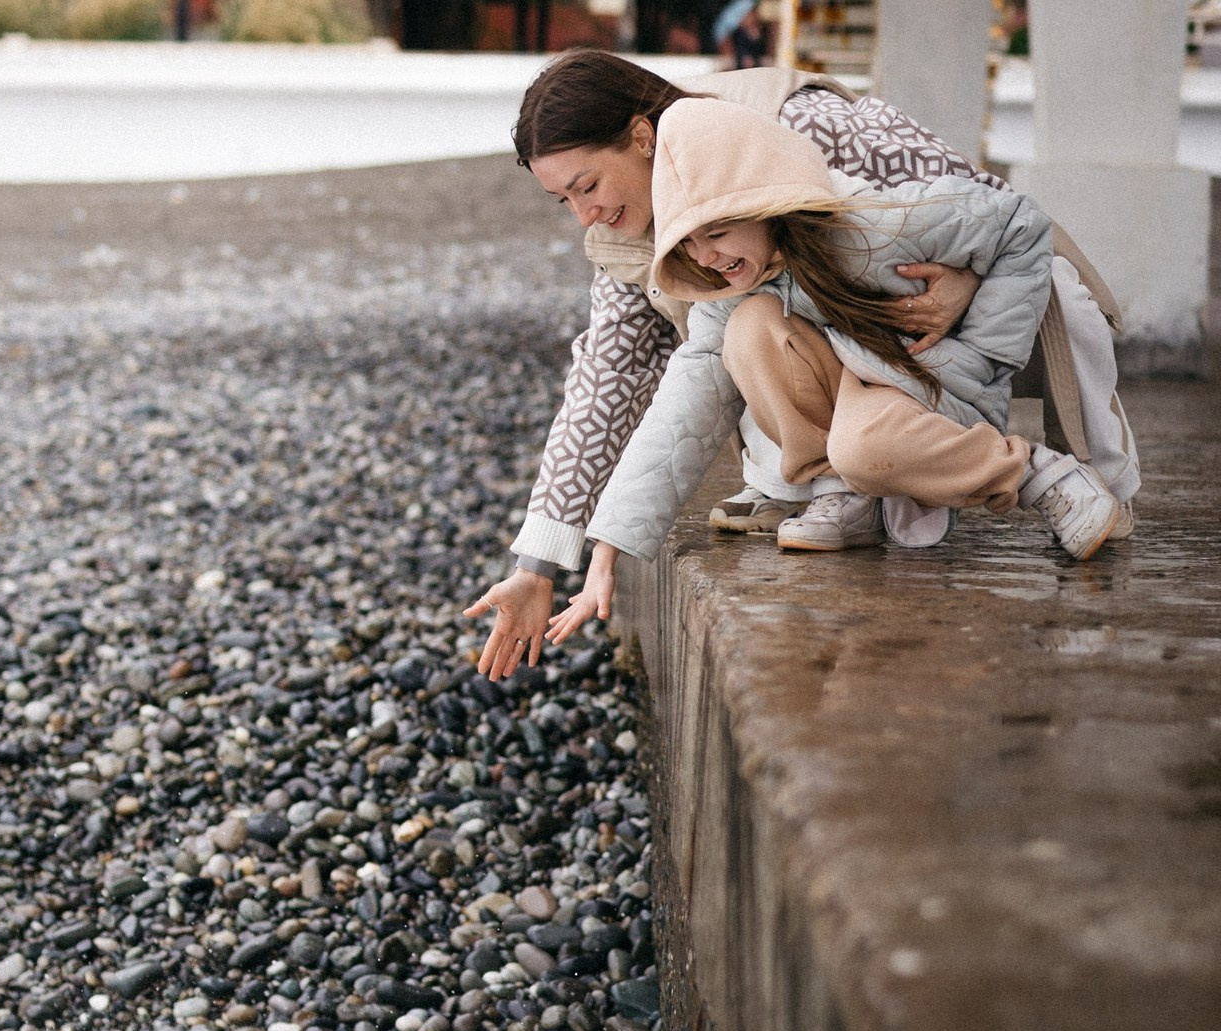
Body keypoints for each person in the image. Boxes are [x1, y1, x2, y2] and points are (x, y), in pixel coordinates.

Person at [463, 50, 1138, 681]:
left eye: (587, 185)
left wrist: (967, 286)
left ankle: (1042, 472)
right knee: (749, 330)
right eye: (565, 202)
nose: (588, 216)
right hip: (834, 356)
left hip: (942, 341)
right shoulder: (641, 242)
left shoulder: (801, 125)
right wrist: (546, 560)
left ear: (641, 137)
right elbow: (612, 385)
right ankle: (839, 489)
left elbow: (985, 208)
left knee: (870, 434)